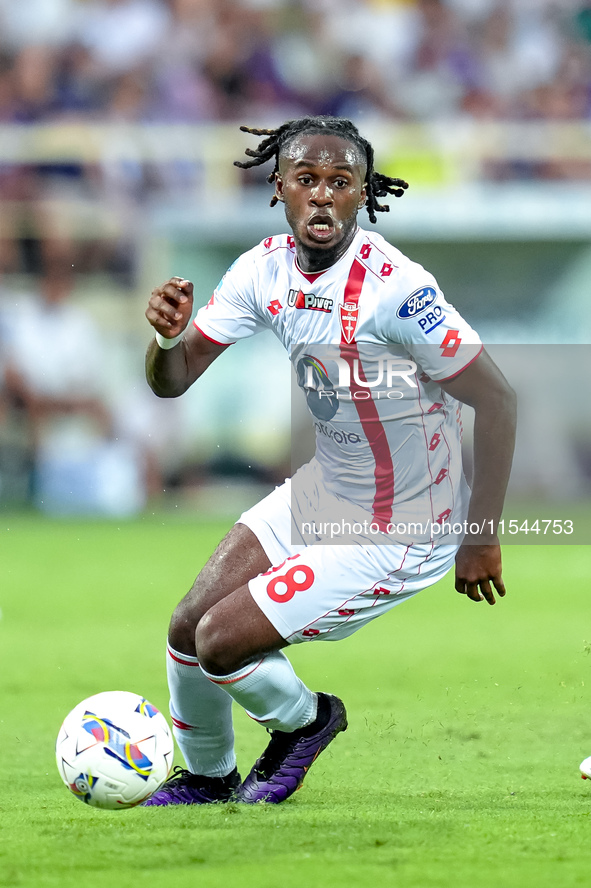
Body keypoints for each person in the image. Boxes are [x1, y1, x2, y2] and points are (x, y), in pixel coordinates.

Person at [143, 115, 516, 806]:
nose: (322, 196)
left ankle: (307, 722)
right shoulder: (262, 269)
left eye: (339, 183)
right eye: (307, 180)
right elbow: (173, 379)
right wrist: (166, 341)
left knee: (221, 640)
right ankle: (207, 776)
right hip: (325, 491)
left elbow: (495, 400)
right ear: (278, 186)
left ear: (361, 192)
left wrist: (481, 534)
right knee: (184, 628)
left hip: (402, 526)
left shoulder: (396, 289)